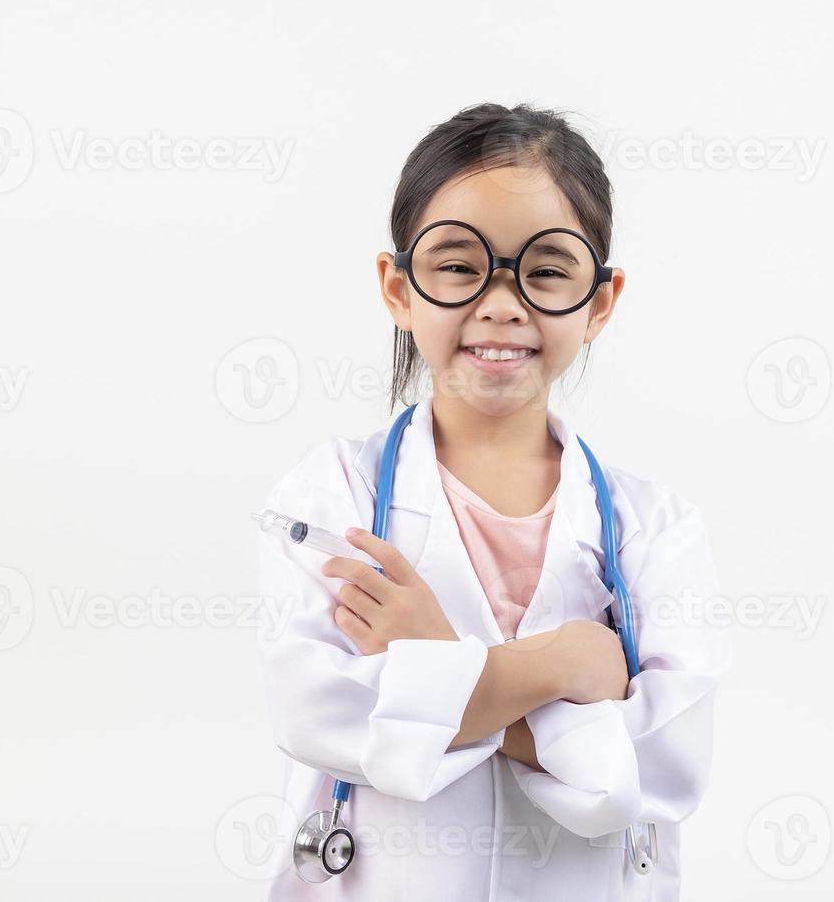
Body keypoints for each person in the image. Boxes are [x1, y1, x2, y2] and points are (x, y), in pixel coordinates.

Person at [255, 102, 733, 900]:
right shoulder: (329, 496)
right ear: (397, 288)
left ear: (600, 302)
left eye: (546, 271)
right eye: (457, 265)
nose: (502, 302)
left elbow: (662, 766)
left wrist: (433, 671)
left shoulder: (659, 530)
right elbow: (319, 712)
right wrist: (559, 668)